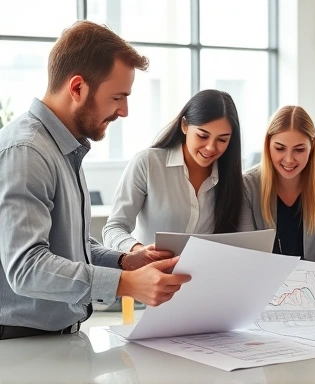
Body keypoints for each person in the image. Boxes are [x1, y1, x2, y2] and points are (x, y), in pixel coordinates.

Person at [0, 21, 191, 340]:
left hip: (58, 339)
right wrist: (127, 284)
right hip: (21, 344)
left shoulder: (62, 147)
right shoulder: (28, 152)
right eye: (118, 97)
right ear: (77, 88)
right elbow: (28, 268)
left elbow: (67, 244)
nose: (125, 111)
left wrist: (126, 261)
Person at [102, 89, 243, 253]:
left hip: (204, 277)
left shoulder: (231, 179)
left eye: (222, 139)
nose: (211, 147)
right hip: (149, 274)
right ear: (184, 125)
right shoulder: (148, 163)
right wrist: (139, 250)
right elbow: (113, 228)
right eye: (203, 136)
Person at [240, 105, 315, 261]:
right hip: (264, 282)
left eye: (299, 150)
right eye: (280, 148)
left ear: (312, 146)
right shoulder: (248, 185)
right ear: (268, 145)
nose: (289, 159)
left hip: (313, 283)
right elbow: (246, 254)